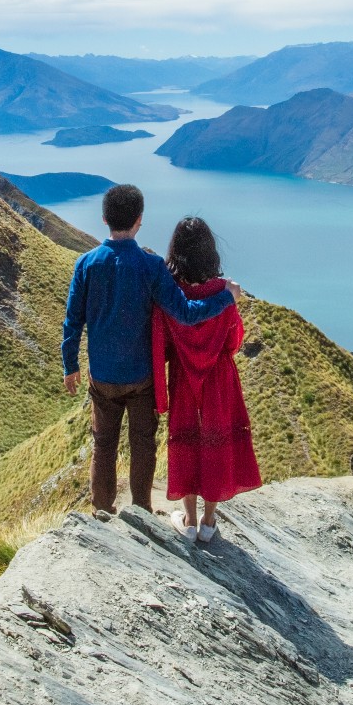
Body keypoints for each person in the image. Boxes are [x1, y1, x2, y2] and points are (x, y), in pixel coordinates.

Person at [63, 184, 237, 517]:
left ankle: (102, 510)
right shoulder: (151, 266)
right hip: (142, 376)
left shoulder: (86, 264)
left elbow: (73, 321)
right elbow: (185, 313)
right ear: (139, 220)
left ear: (104, 219)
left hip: (102, 376)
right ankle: (141, 510)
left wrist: (70, 365)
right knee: (142, 444)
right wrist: (226, 297)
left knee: (103, 445)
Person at [151, 216, 261, 543]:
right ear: (209, 251)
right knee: (216, 441)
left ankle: (187, 519)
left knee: (185, 440)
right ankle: (209, 523)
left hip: (184, 377)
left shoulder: (172, 293)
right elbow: (233, 342)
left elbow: (163, 343)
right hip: (219, 379)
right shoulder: (223, 292)